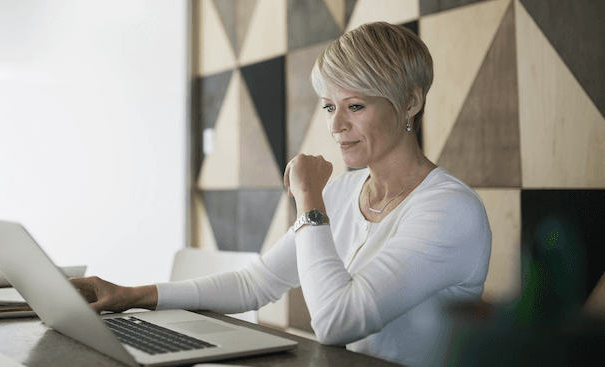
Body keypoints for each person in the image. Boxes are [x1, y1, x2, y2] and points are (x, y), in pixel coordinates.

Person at [71, 21, 491, 367]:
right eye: (329, 106)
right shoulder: (346, 191)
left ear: (412, 102)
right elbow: (258, 282)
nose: (335, 125)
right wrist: (131, 296)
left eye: (355, 106)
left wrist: (308, 197)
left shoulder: (449, 210)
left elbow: (336, 322)